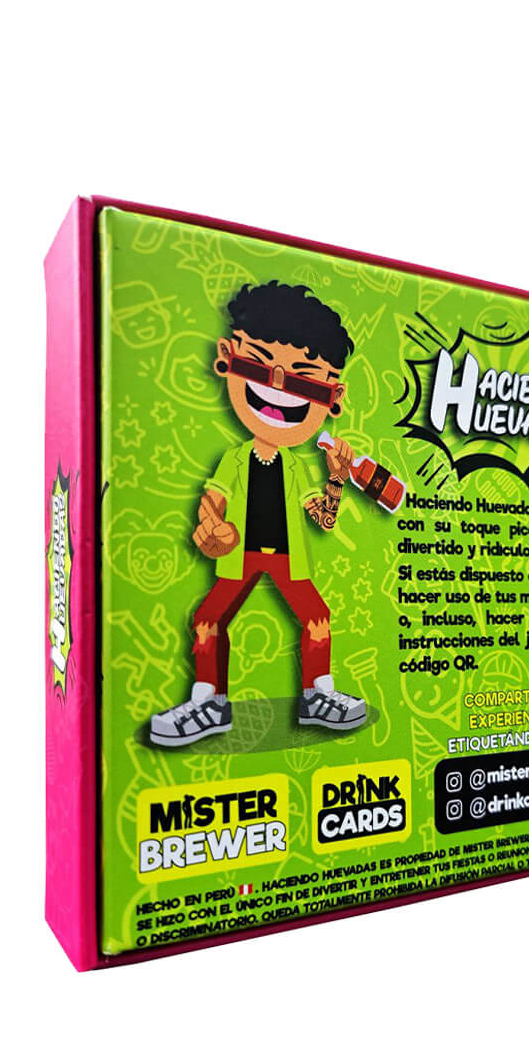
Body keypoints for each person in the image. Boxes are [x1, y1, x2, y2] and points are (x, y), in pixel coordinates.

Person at [149, 282, 366, 746]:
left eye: (304, 383)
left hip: (287, 556)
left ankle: (318, 694)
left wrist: (336, 479)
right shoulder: (234, 460)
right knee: (208, 619)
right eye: (257, 368)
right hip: (241, 553)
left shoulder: (296, 467)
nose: (278, 391)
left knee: (317, 617)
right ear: (227, 358)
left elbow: (323, 519)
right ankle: (209, 701)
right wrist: (211, 526)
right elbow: (215, 498)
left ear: (333, 396)